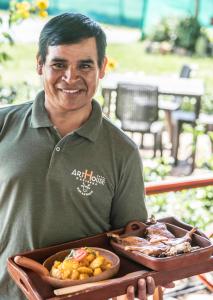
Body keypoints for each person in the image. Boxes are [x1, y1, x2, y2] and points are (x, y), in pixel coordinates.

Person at [0, 13, 173, 299]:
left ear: (102, 68)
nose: (71, 77)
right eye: (58, 64)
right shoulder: (4, 125)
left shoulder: (122, 151)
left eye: (84, 65)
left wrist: (143, 275)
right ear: (39, 64)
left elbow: (131, 240)